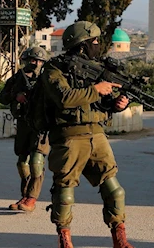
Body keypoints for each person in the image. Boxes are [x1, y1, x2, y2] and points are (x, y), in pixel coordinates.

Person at [40, 21, 134, 248]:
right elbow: (64, 98)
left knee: (115, 191)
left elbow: (101, 103)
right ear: (80, 45)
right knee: (65, 192)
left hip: (96, 134)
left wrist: (116, 104)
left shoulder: (96, 68)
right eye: (93, 41)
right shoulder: (54, 69)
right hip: (69, 136)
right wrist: (95, 89)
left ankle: (119, 238)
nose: (97, 45)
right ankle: (65, 239)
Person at [0, 46, 50, 212]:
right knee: (22, 163)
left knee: (37, 162)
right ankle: (26, 195)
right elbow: (3, 97)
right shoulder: (17, 79)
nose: (36, 64)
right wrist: (16, 95)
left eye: (40, 61)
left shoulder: (48, 79)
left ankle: (32, 198)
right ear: (27, 60)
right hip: (23, 124)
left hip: (41, 126)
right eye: (33, 60)